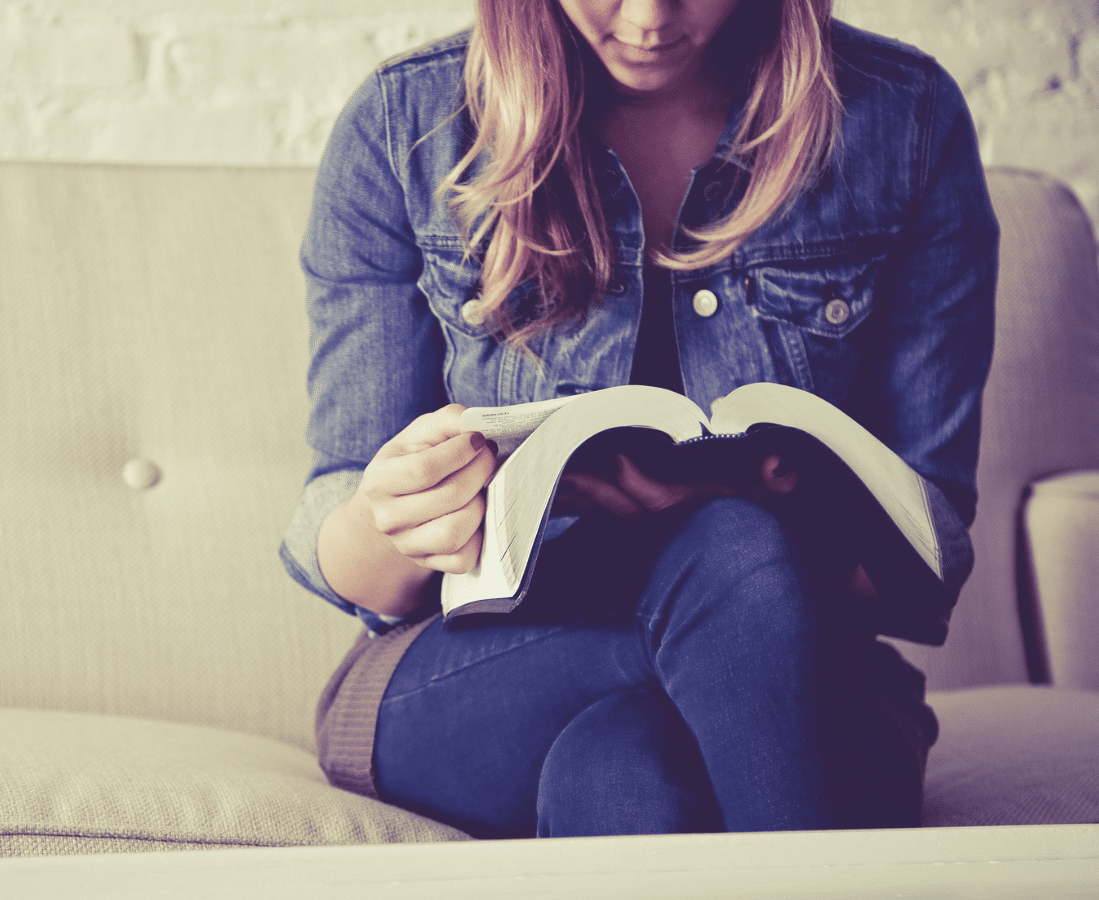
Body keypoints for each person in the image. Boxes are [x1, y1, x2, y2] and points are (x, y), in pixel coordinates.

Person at [280, 0, 997, 837]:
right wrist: (402, 511)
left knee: (627, 756)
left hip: (781, 645)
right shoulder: (406, 123)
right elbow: (344, 545)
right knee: (734, 560)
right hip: (474, 670)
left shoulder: (903, 119)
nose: (652, 16)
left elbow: (923, 554)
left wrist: (779, 508)